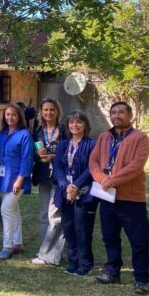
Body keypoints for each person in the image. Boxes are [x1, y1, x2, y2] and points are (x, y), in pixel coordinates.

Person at [88, 101, 149, 295]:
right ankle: (112, 271)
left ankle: (141, 279)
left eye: (121, 112)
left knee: (139, 240)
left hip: (131, 199)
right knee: (109, 237)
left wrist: (112, 180)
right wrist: (102, 179)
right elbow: (94, 161)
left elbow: (136, 166)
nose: (117, 116)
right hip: (107, 196)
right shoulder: (104, 137)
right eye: (113, 112)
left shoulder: (140, 138)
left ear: (130, 115)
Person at [53, 110, 97, 276]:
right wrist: (66, 186)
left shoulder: (92, 144)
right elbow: (58, 166)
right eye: (71, 122)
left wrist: (76, 185)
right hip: (65, 192)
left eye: (78, 122)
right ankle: (73, 261)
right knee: (68, 227)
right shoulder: (64, 144)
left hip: (84, 193)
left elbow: (91, 168)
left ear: (85, 125)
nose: (74, 125)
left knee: (82, 229)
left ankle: (85, 263)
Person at [31, 98, 68, 265]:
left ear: (57, 112)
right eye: (45, 110)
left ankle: (52, 255)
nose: (48, 113)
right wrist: (38, 155)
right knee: (44, 215)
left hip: (60, 178)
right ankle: (45, 250)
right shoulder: (38, 131)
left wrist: (55, 156)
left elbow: (71, 152)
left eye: (52, 109)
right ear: (41, 112)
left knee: (56, 216)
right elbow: (32, 151)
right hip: (43, 176)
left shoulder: (65, 130)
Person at [0, 104, 33, 260]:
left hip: (18, 179)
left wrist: (19, 180)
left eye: (14, 115)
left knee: (5, 209)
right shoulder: (2, 134)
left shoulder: (25, 134)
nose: (10, 117)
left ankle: (7, 245)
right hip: (4, 178)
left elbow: (27, 159)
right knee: (13, 210)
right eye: (7, 114)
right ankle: (18, 242)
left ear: (19, 117)